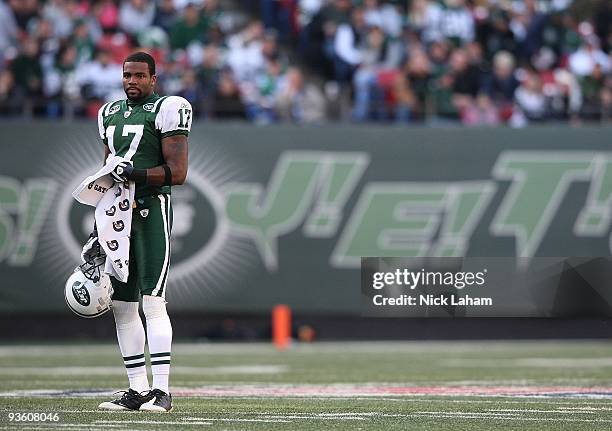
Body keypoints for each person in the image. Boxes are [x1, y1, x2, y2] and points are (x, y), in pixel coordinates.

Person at [89, 51, 191, 412]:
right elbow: (107, 169)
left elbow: (177, 173)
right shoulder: (109, 113)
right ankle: (136, 389)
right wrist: (98, 225)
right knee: (122, 305)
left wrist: (134, 174)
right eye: (127, 75)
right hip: (118, 214)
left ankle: (161, 392)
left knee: (152, 301)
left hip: (150, 210)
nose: (131, 81)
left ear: (153, 79)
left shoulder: (168, 108)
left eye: (138, 76)